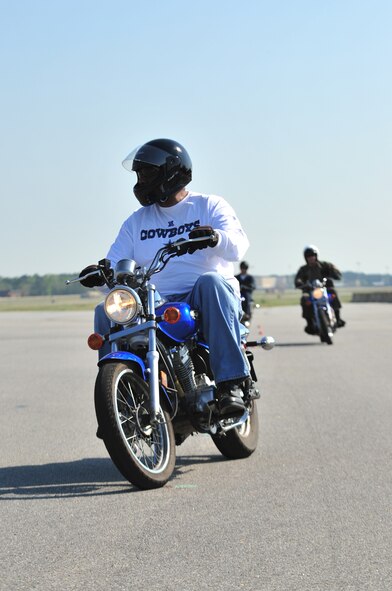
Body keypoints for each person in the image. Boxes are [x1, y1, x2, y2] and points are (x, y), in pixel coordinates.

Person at [94, 138, 251, 418]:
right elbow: (116, 261)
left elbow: (239, 246)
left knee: (211, 281)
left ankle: (231, 384)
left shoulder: (208, 205)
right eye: (139, 175)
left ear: (170, 172)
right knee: (107, 310)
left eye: (147, 174)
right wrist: (104, 270)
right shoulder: (136, 222)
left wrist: (215, 237)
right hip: (158, 303)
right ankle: (117, 402)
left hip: (204, 298)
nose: (141, 181)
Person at [294, 245, 346, 334]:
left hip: (325, 289)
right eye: (309, 256)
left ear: (316, 256)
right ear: (306, 258)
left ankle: (338, 318)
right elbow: (298, 279)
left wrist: (334, 273)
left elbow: (336, 272)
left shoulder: (325, 265)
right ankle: (310, 323)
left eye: (312, 255)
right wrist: (300, 283)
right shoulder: (303, 269)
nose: (311, 258)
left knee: (333, 293)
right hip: (310, 292)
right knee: (304, 299)